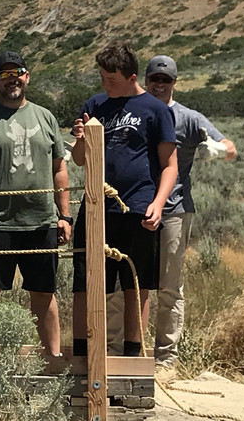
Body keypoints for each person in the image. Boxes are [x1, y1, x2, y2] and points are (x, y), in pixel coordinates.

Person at [0, 52, 70, 355]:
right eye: (4, 75)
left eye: (17, 72)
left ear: (27, 76)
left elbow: (59, 168)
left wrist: (64, 215)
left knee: (43, 292)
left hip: (40, 220)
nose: (12, 79)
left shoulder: (45, 117)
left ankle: (52, 359)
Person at [70, 40, 177, 359]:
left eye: (112, 79)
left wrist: (158, 203)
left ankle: (133, 356)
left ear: (131, 78)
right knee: (85, 281)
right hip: (96, 206)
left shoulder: (156, 110)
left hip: (138, 207)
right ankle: (83, 354)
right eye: (102, 78)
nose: (106, 84)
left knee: (136, 283)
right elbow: (79, 159)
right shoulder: (95, 105)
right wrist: (80, 140)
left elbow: (169, 165)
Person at [142, 54, 237, 368]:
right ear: (145, 80)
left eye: (165, 80)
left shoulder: (189, 118)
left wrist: (217, 150)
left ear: (174, 83)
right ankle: (131, 353)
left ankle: (166, 358)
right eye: (155, 79)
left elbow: (231, 148)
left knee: (169, 286)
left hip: (175, 210)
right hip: (136, 209)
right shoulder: (137, 112)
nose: (159, 85)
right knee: (131, 285)